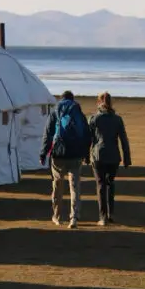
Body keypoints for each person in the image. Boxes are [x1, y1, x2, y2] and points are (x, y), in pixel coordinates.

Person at [40, 90, 91, 229]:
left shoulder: (55, 111)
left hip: (58, 154)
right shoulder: (78, 113)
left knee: (58, 185)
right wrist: (86, 154)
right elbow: (86, 134)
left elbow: (48, 133)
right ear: (73, 99)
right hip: (75, 154)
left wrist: (43, 153)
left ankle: (56, 216)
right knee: (75, 187)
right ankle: (73, 217)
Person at [87, 91, 131, 226]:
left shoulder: (94, 118)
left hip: (98, 155)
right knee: (110, 183)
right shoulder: (117, 119)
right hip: (113, 156)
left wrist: (85, 156)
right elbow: (124, 140)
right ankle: (110, 213)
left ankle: (103, 217)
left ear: (99, 102)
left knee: (100, 185)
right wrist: (127, 158)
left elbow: (88, 139)